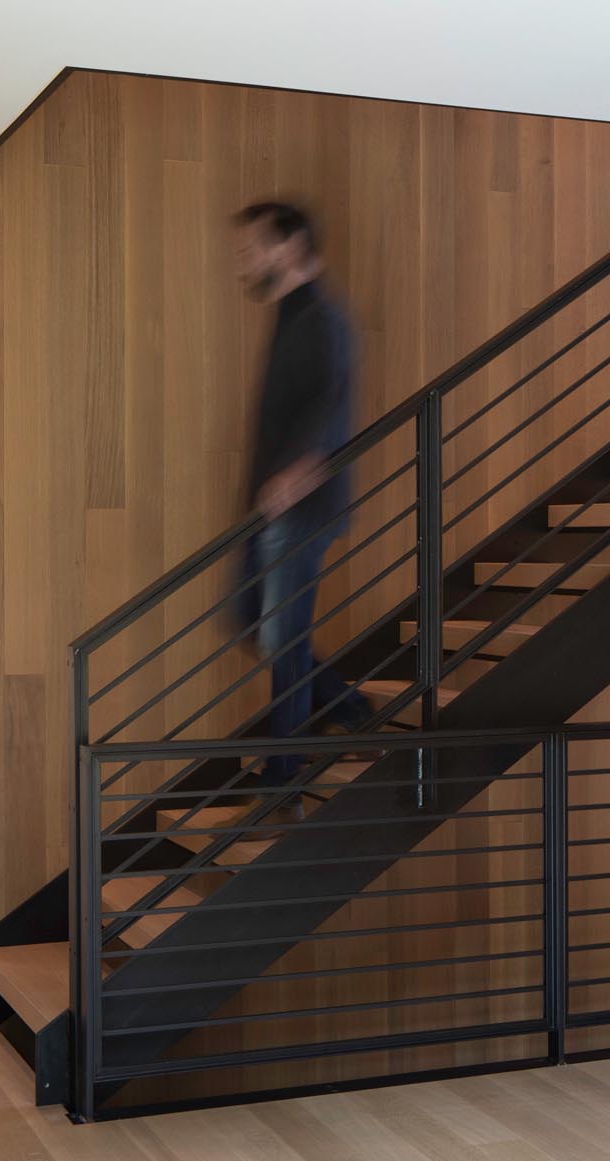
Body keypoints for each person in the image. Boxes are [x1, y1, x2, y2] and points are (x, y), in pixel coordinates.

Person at [232, 201, 372, 791]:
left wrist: (301, 469)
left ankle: (282, 773)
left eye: (252, 248)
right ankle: (345, 706)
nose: (244, 260)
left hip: (304, 501)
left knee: (282, 637)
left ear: (288, 246)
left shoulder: (322, 316)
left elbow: (332, 398)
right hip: (271, 506)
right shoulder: (291, 313)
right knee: (250, 622)